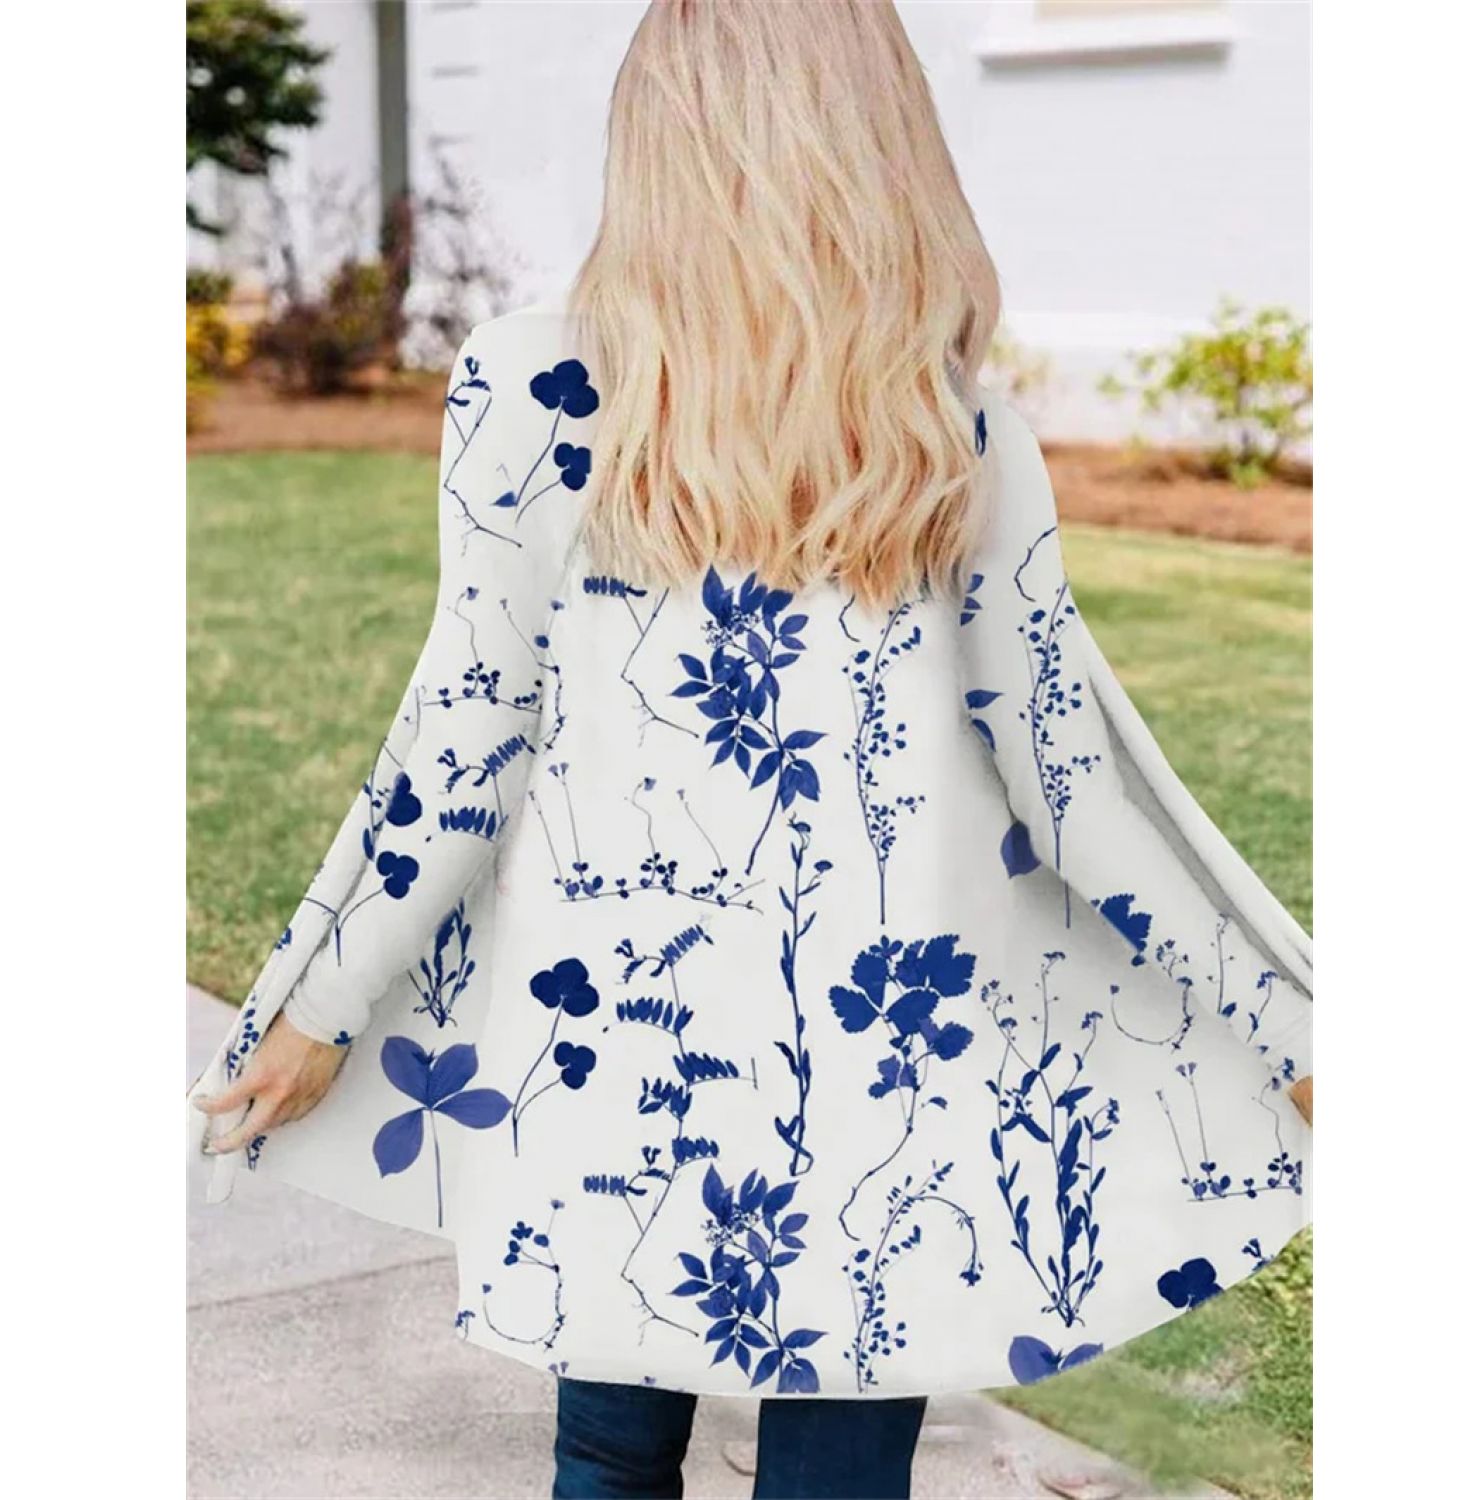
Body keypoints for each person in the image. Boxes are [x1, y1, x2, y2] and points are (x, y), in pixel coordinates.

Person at [190, 3, 1312, 1496]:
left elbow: (465, 747)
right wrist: (1297, 1037)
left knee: (608, 1462)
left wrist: (323, 1006)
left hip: (612, 1060)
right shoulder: (951, 436)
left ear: (656, 140)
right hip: (883, 1074)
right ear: (887, 145)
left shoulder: (533, 392)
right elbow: (1075, 800)